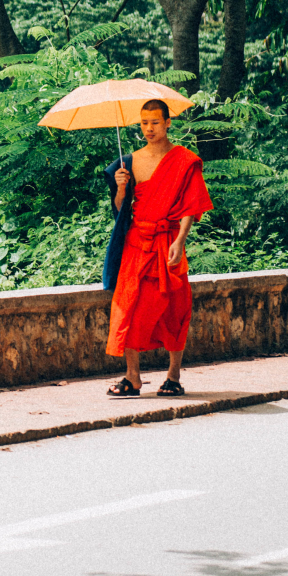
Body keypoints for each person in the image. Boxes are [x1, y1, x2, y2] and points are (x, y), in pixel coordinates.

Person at [103, 100, 212, 398]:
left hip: (168, 242)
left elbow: (191, 206)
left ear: (168, 123)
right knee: (127, 307)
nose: (148, 128)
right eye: (143, 123)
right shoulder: (131, 161)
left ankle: (173, 376)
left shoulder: (185, 160)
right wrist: (122, 187)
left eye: (154, 122)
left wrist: (180, 240)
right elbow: (121, 211)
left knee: (175, 309)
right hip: (137, 243)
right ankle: (132, 377)